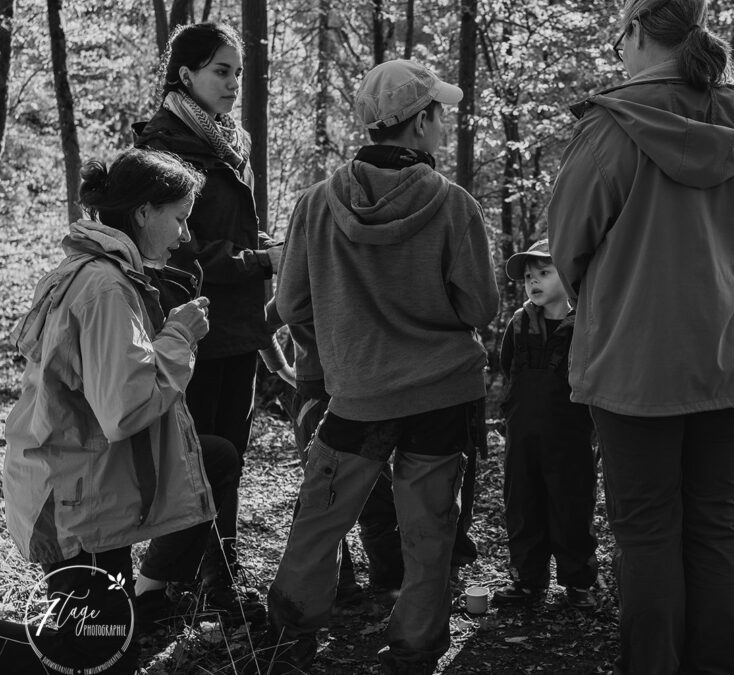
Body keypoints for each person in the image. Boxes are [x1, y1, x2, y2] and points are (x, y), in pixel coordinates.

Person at [547, 0, 734, 670]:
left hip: (636, 361)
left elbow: (569, 245)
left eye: (619, 33)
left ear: (638, 34)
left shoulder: (611, 127)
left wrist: (613, 291)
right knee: (713, 523)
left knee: (647, 529)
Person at [252, 59, 499, 674]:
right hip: (442, 393)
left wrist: (346, 339)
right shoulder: (454, 206)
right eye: (438, 114)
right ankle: (413, 652)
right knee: (429, 526)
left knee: (321, 514)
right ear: (419, 124)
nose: (443, 124)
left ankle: (292, 633)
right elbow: (481, 306)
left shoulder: (315, 204)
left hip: (356, 392)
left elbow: (290, 305)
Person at [0, 149, 239, 674]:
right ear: (143, 213)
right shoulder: (106, 287)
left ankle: (141, 600)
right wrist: (179, 337)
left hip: (69, 481)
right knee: (99, 659)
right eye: (178, 218)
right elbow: (124, 410)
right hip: (72, 498)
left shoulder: (91, 269)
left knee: (216, 459)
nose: (183, 236)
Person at [133, 21, 278, 609]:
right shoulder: (164, 148)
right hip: (189, 322)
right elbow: (179, 246)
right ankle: (162, 584)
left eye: (239, 73)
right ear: (186, 74)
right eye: (222, 70)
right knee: (197, 455)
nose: (233, 83)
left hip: (238, 324)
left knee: (230, 454)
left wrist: (265, 247)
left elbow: (230, 228)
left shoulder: (229, 144)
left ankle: (219, 576)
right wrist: (256, 260)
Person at [261, 299, 406, 601]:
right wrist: (284, 370)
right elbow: (261, 324)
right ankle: (340, 586)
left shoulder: (359, 268)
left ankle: (390, 578)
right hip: (316, 396)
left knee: (376, 485)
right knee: (324, 492)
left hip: (362, 394)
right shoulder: (300, 283)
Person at [493, 239, 599, 611]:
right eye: (527, 277)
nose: (533, 282)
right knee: (523, 504)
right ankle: (527, 579)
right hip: (522, 434)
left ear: (567, 276)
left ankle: (578, 581)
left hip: (570, 434)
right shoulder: (519, 323)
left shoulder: (584, 324)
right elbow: (507, 367)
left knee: (571, 505)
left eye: (544, 273)